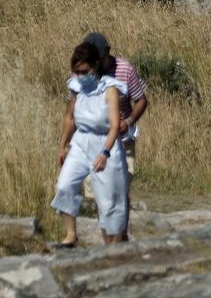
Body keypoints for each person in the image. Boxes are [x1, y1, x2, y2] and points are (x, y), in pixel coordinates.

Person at [51, 41, 129, 248]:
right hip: (80, 141)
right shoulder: (76, 88)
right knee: (64, 185)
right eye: (76, 72)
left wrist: (104, 153)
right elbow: (70, 118)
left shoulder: (110, 90)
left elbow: (114, 126)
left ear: (95, 66)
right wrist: (62, 146)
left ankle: (112, 245)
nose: (80, 75)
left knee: (107, 201)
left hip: (105, 143)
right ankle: (70, 235)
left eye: (84, 71)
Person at [80, 32, 148, 242]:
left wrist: (127, 122)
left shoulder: (124, 69)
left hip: (123, 142)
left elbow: (141, 100)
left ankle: (120, 238)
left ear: (107, 53)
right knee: (101, 198)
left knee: (119, 195)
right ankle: (110, 244)